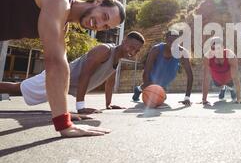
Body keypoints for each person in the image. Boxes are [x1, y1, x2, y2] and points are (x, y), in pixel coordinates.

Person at [0, 0, 125, 137]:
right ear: (98, 1)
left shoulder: (63, 25)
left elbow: (62, 68)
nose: (99, 25)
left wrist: (63, 112)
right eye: (104, 17)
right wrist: (65, 124)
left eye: (105, 27)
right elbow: (54, 63)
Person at [0, 32, 145, 115]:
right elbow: (85, 75)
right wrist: (80, 107)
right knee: (16, 89)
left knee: (18, 90)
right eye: (131, 46)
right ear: (124, 40)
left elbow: (110, 81)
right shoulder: (104, 50)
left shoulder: (116, 61)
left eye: (136, 50)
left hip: (64, 87)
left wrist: (109, 104)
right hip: (57, 78)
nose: (132, 52)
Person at [132, 30, 193, 106]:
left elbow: (190, 75)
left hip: (167, 78)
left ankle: (141, 88)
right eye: (170, 41)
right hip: (153, 76)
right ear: (166, 40)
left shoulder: (183, 52)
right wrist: (149, 88)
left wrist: (187, 97)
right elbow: (146, 71)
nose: (172, 44)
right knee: (155, 95)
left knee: (161, 97)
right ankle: (139, 89)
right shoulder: (156, 50)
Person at [202, 37, 241, 105]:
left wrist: (239, 99)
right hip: (217, 80)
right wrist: (204, 100)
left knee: (230, 83)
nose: (215, 51)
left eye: (218, 48)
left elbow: (235, 77)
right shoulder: (207, 57)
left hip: (229, 79)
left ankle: (229, 88)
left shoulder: (230, 56)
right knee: (219, 84)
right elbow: (206, 78)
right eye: (213, 49)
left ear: (223, 47)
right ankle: (223, 87)